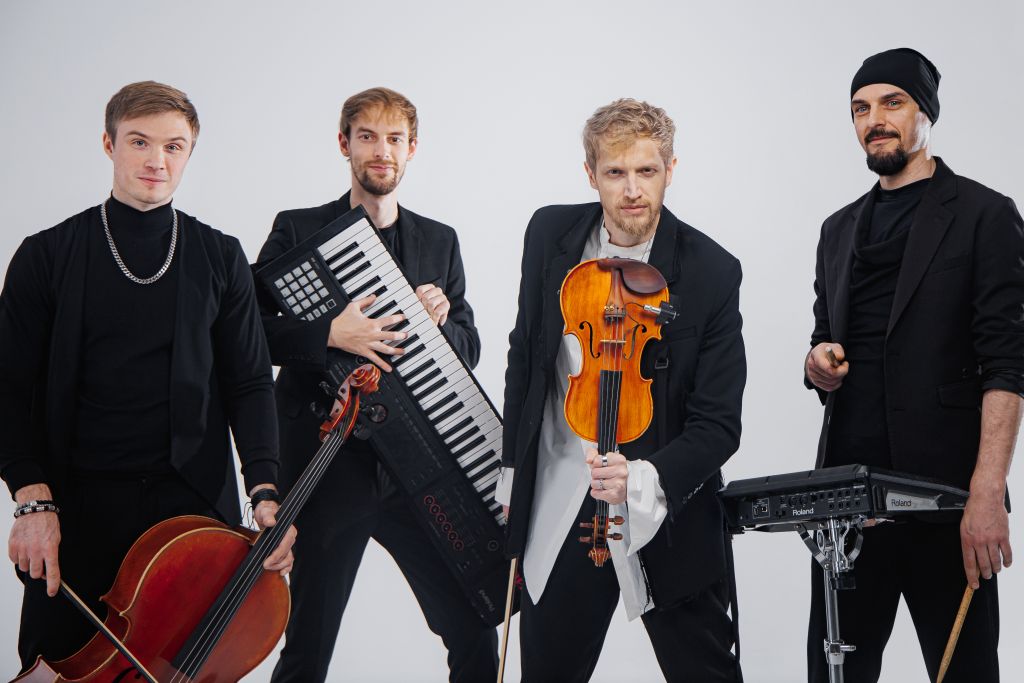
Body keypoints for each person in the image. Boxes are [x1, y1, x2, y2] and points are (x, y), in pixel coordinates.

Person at [0, 80, 295, 673]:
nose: (157, 161)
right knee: (57, 667)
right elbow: (6, 385)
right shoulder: (46, 255)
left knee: (178, 671)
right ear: (108, 145)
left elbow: (248, 383)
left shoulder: (221, 256)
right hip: (75, 508)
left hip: (190, 517)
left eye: (173, 146)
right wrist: (30, 499)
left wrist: (265, 491)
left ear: (189, 153)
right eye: (139, 142)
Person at [497, 98, 746, 682]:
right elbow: (525, 356)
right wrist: (513, 474)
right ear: (591, 174)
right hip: (561, 498)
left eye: (647, 171)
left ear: (670, 169)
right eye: (615, 172)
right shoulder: (549, 235)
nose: (632, 190)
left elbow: (719, 425)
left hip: (664, 506)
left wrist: (644, 476)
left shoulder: (712, 271)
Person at [256, 87, 497, 683]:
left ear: (412, 149)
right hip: (329, 463)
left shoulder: (440, 240)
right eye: (367, 137)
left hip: (418, 468)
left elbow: (468, 348)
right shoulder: (297, 228)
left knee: (474, 629)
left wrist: (441, 325)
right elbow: (247, 333)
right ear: (345, 145)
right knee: (309, 645)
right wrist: (329, 334)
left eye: (394, 139)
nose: (381, 151)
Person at [803, 48, 1024, 682]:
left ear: (925, 112)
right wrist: (819, 363)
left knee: (965, 672)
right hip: (848, 507)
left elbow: (1007, 365)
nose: (874, 120)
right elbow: (825, 339)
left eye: (891, 103)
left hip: (948, 501)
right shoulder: (836, 230)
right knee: (834, 674)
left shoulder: (985, 215)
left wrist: (987, 494)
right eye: (860, 108)